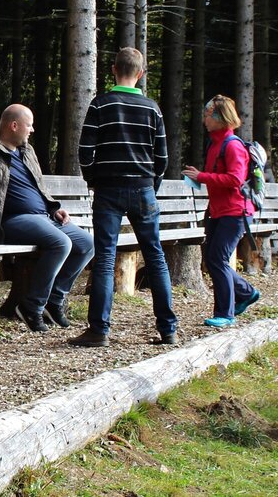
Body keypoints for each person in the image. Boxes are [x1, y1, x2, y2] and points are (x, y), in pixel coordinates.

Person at [0, 104, 94, 331]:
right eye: (29, 125)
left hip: (43, 217)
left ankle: (55, 300)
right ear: (14, 125)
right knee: (61, 243)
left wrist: (53, 208)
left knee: (88, 244)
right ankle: (32, 307)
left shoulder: (27, 151)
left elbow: (38, 187)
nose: (32, 130)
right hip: (10, 220)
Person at [69, 47, 178, 348]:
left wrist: (95, 180)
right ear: (140, 74)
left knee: (105, 257)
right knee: (155, 257)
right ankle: (168, 329)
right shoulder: (152, 109)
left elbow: (85, 152)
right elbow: (163, 158)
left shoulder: (100, 105)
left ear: (114, 70)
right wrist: (149, 184)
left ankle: (99, 330)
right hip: (143, 190)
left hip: (108, 190)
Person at [183, 94, 261, 329]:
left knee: (218, 258)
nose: (204, 119)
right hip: (218, 211)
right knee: (214, 258)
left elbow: (235, 179)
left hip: (235, 212)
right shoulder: (214, 143)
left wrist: (202, 177)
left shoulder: (233, 145)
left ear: (219, 117)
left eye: (208, 115)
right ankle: (246, 293)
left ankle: (225, 314)